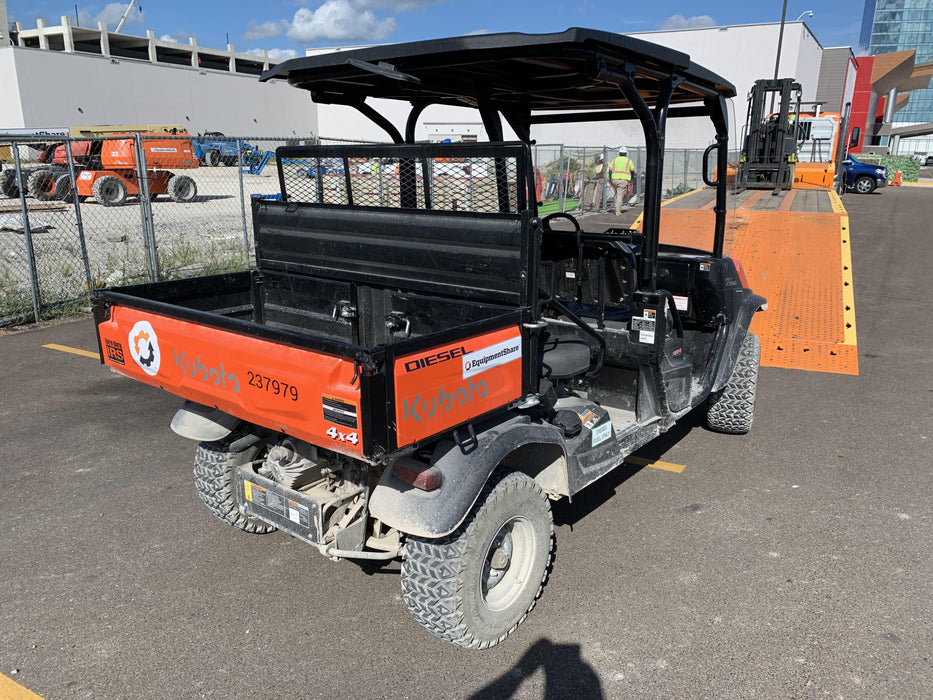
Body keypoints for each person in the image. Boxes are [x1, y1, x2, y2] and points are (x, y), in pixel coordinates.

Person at [610, 146, 636, 216]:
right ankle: (618, 211)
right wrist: (631, 179)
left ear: (619, 153)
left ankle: (616, 208)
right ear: (625, 153)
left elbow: (610, 170)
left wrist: (610, 179)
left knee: (616, 194)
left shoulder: (615, 160)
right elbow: (632, 171)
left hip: (614, 179)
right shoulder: (628, 161)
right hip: (623, 180)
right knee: (619, 195)